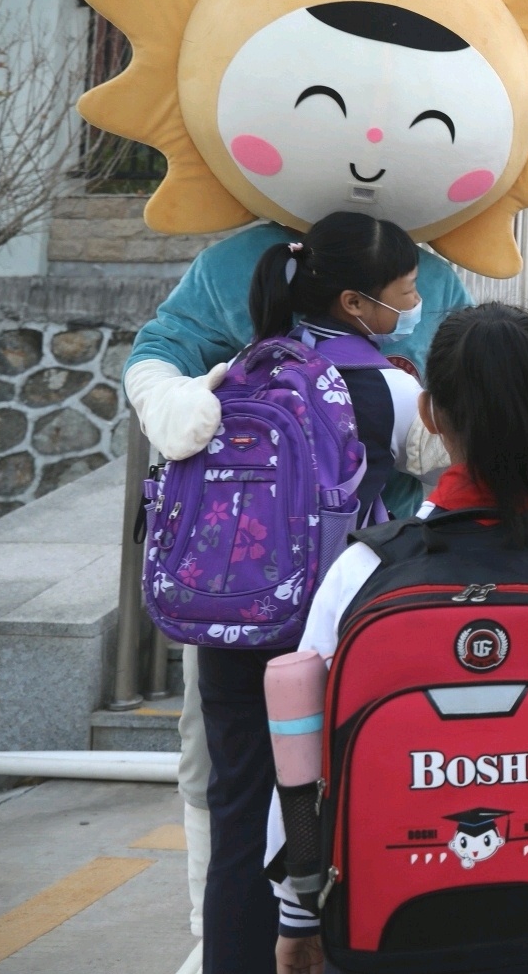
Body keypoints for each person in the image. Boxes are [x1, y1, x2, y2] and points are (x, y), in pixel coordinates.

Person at [267, 303, 528, 974]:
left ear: (431, 413)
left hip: (387, 918)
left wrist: (298, 905)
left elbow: (300, 754)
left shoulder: (366, 568)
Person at [196, 214, 425, 974]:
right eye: (406, 290)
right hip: (326, 632)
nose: (414, 302)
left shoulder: (241, 367)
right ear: (358, 304)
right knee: (332, 817)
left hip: (229, 620)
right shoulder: (388, 386)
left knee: (237, 820)